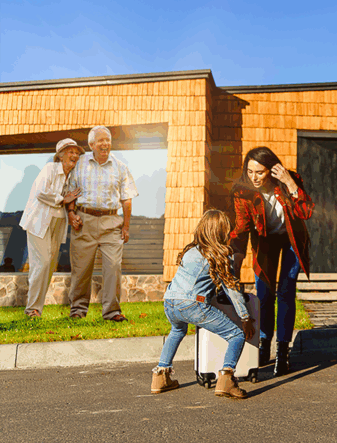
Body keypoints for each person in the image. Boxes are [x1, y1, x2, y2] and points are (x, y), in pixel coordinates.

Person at [151, 209, 255, 399]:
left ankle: (160, 376)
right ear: (223, 232)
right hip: (193, 305)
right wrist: (245, 318)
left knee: (177, 331)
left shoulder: (190, 250)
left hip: (170, 302)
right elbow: (232, 290)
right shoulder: (219, 255)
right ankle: (227, 379)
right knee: (236, 335)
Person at [229, 146, 314, 377]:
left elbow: (306, 212)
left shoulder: (289, 180)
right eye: (250, 172)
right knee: (264, 294)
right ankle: (264, 344)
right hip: (264, 243)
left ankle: (283, 351)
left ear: (272, 170)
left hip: (291, 240)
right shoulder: (242, 191)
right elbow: (242, 228)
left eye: (259, 172)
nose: (253, 177)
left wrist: (291, 183)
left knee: (286, 291)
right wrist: (234, 259)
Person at [65, 126, 138, 322]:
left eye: (107, 140)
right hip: (84, 221)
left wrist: (126, 226)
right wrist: (71, 214)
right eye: (100, 140)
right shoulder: (79, 164)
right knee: (81, 268)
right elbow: (71, 193)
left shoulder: (120, 167)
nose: (105, 144)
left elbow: (127, 199)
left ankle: (112, 311)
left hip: (111, 222)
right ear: (91, 145)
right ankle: (78, 309)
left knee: (113, 267)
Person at [19, 138, 84, 317]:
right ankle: (31, 308)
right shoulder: (50, 169)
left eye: (77, 153)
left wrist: (72, 212)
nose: (75, 155)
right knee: (42, 263)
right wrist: (62, 199)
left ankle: (36, 309)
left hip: (58, 222)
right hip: (39, 221)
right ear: (61, 155)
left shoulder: (73, 175)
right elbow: (41, 192)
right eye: (70, 152)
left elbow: (72, 199)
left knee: (49, 266)